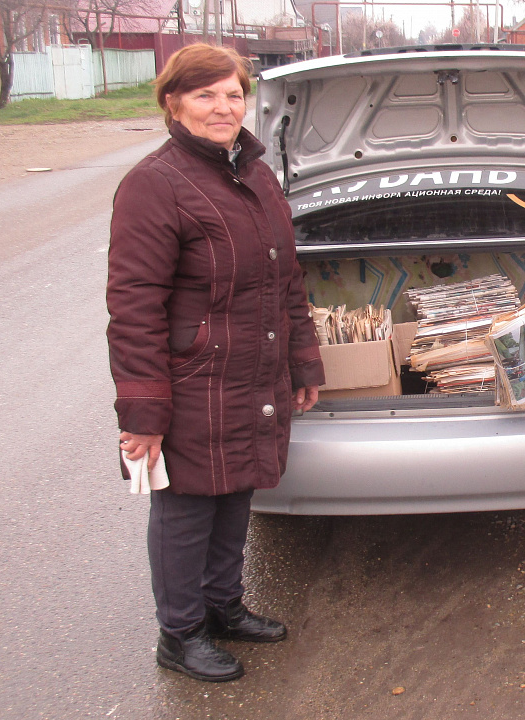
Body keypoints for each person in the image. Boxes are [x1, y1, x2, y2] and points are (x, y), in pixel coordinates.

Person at [106, 44, 325, 682]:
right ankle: (180, 633)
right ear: (173, 103)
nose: (223, 107)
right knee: (185, 508)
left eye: (233, 93)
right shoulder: (155, 182)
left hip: (253, 372)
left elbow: (287, 279)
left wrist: (302, 361)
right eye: (206, 95)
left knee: (237, 492)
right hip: (192, 379)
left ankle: (223, 607)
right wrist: (143, 412)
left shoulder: (255, 175)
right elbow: (134, 306)